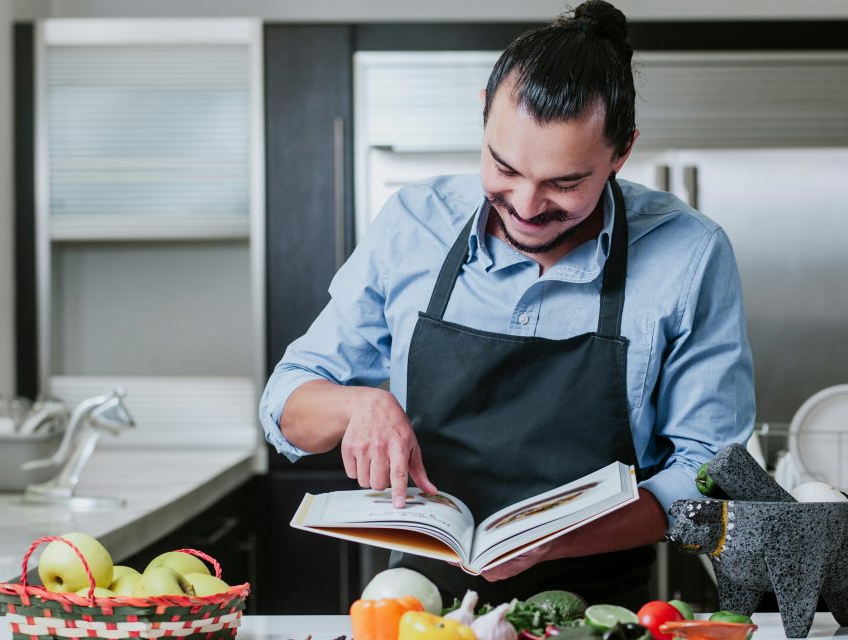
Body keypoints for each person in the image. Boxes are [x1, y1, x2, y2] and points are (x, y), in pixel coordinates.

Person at [260, 0, 754, 608]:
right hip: (418, 609)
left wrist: (553, 540)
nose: (525, 205)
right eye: (504, 167)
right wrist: (359, 404)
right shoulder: (414, 224)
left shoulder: (690, 254)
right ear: (484, 115)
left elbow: (708, 473)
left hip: (600, 614)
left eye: (565, 183)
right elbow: (286, 404)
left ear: (621, 154)